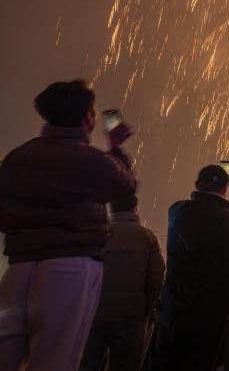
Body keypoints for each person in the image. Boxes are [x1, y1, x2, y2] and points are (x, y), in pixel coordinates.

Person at [0, 80, 136, 371]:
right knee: (55, 359)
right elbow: (124, 186)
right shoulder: (93, 160)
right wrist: (116, 149)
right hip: (69, 267)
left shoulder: (16, 158)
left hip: (19, 267)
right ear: (87, 117)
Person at [151, 164, 229, 371]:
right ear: (225, 190)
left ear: (196, 185)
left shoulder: (176, 211)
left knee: (166, 361)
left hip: (174, 306)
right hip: (209, 311)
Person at [79, 194, 165, 371]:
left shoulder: (98, 234)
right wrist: (146, 309)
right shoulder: (147, 237)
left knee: (88, 363)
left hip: (96, 312)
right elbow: (156, 278)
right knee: (124, 364)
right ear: (135, 209)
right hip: (131, 315)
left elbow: (83, 272)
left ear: (109, 209)